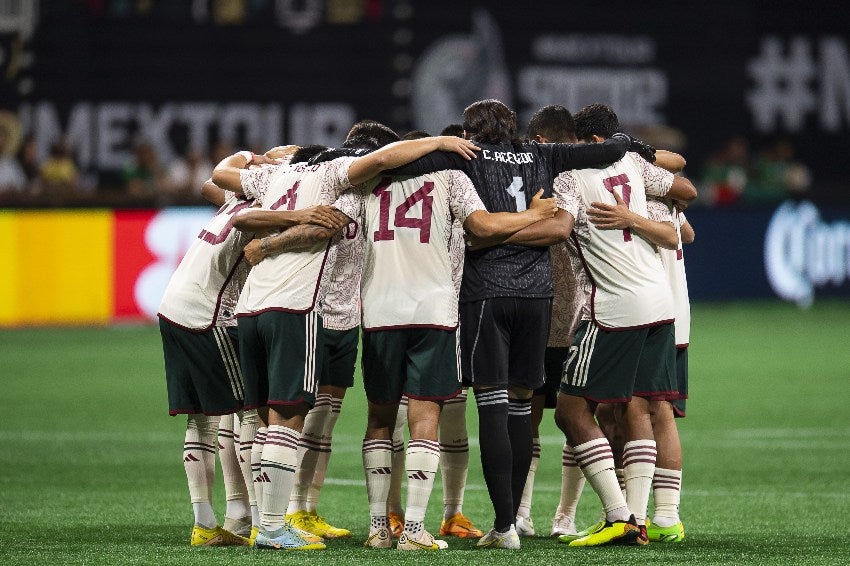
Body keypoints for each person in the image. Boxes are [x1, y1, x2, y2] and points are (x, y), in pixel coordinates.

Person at [391, 98, 651, 549]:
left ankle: (506, 526)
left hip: (487, 293)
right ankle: (509, 523)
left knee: (492, 407)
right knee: (519, 409)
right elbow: (610, 150)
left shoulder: (463, 157)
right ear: (513, 128)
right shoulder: (542, 154)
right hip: (537, 296)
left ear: (470, 133)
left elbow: (399, 162)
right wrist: (633, 144)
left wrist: (442, 147)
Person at [211, 130, 480, 551]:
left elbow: (221, 187)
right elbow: (342, 207)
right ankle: (279, 527)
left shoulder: (281, 176)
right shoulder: (351, 178)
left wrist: (260, 183)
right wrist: (439, 142)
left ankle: (260, 519)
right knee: (293, 416)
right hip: (320, 309)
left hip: (261, 307)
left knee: (262, 418)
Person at [331, 160, 559, 552]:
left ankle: (378, 528)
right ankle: (415, 530)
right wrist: (531, 214)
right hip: (432, 313)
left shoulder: (369, 182)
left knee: (381, 419)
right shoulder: (451, 178)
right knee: (425, 418)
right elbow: (484, 226)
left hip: (380, 312)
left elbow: (338, 224)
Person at [549, 103, 696, 547]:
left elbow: (560, 228)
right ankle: (643, 516)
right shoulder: (631, 161)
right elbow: (683, 196)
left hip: (615, 308)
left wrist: (513, 227)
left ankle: (619, 515)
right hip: (660, 303)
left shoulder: (567, 177)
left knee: (571, 410)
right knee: (641, 408)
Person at [157, 146, 305, 547]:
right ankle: (261, 520)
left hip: (172, 306)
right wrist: (298, 215)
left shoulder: (235, 197)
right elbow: (250, 217)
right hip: (209, 313)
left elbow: (210, 184)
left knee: (201, 419)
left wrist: (252, 159)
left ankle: (207, 523)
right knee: (249, 412)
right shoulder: (264, 206)